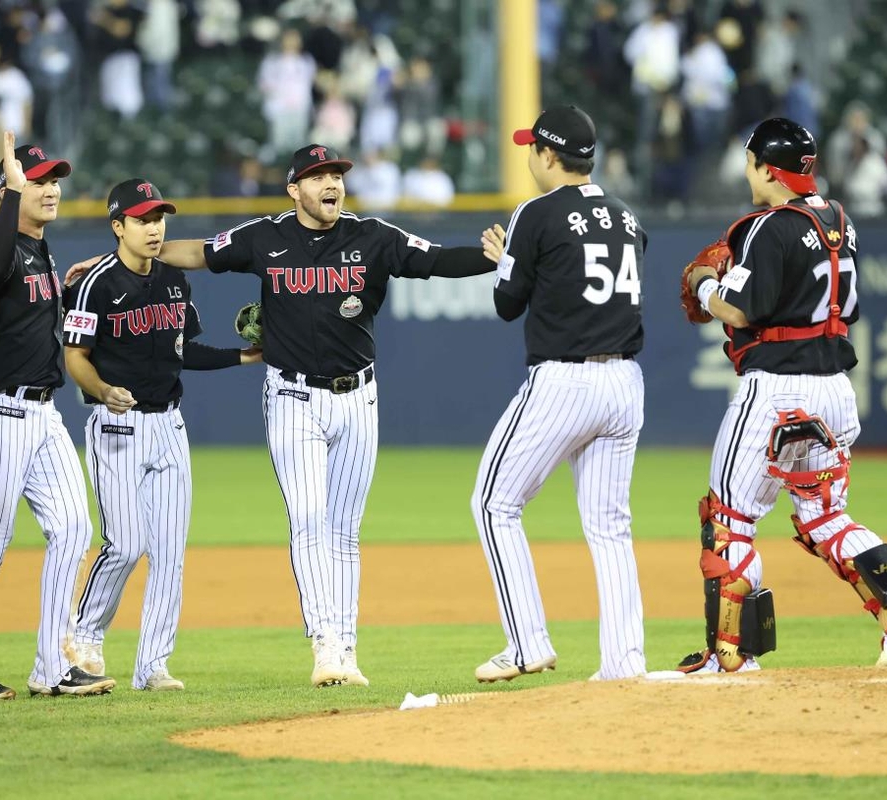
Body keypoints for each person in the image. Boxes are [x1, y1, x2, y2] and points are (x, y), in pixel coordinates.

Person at [118, 143, 502, 687]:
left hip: (359, 399)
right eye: (318, 175)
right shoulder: (264, 237)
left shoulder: (373, 237)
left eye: (337, 175)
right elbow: (201, 252)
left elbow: (436, 260)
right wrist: (132, 258)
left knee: (345, 531)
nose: (331, 183)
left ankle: (345, 646)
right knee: (308, 522)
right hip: (293, 399)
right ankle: (324, 644)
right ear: (294, 188)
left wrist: (491, 257)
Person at [679, 117, 887, 673]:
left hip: (774, 390)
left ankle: (732, 658)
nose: (748, 170)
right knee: (824, 516)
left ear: (768, 168)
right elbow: (848, 307)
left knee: (728, 519)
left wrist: (703, 283)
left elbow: (741, 310)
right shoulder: (840, 219)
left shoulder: (764, 226)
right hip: (836, 393)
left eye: (750, 161)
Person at [62, 178, 263, 691]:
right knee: (127, 544)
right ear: (118, 226)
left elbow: (183, 351)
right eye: (142, 219)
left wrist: (243, 356)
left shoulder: (174, 279)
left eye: (159, 218)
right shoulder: (95, 284)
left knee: (170, 551)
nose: (154, 228)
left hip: (169, 426)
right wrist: (104, 390)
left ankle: (152, 664)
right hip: (117, 426)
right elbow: (75, 357)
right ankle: (84, 635)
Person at [471, 106, 649, 684]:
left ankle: (527, 643)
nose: (528, 158)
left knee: (494, 503)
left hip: (565, 382)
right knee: (610, 527)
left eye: (531, 149)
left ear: (549, 155)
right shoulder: (625, 216)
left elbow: (506, 304)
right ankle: (624, 663)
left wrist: (506, 262)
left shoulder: (536, 213)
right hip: (624, 384)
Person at [0, 131, 114, 701]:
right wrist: (10, 196)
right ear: (9, 192)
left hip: (43, 413)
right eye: (38, 181)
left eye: (52, 181)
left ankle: (51, 664)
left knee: (73, 528)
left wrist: (69, 288)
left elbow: (32, 316)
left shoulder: (39, 249)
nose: (50, 190)